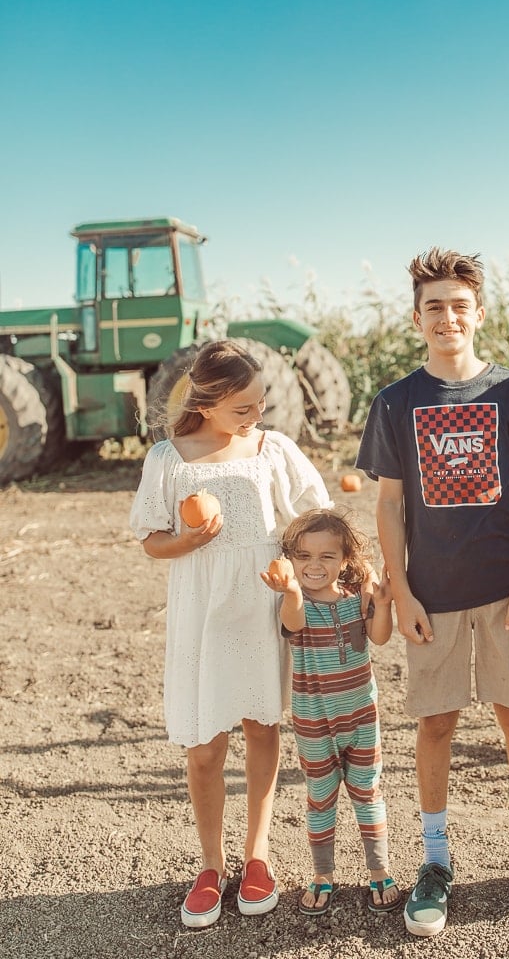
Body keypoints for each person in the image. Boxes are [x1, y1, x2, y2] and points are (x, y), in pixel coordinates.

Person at [356, 247, 509, 937]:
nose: (447, 317)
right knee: (437, 724)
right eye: (433, 307)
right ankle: (436, 861)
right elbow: (388, 506)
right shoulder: (396, 402)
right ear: (417, 319)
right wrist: (402, 590)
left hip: (506, 588)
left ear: (478, 314)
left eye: (459, 305)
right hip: (434, 594)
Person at [129, 339, 332, 929]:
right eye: (242, 408)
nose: (255, 416)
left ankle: (258, 853)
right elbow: (150, 540)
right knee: (204, 750)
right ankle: (211, 866)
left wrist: (307, 570)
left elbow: (313, 518)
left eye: (259, 404)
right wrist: (188, 542)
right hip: (202, 613)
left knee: (262, 728)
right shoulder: (168, 458)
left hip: (262, 604)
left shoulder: (273, 450)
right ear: (207, 403)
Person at [261, 507, 401, 916]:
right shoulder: (295, 602)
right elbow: (293, 619)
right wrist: (289, 590)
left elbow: (379, 636)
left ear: (345, 560)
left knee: (367, 791)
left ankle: (379, 869)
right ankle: (323, 873)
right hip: (315, 723)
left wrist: (384, 603)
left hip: (361, 716)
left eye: (327, 557)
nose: (314, 565)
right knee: (321, 798)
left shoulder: (357, 598)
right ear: (290, 560)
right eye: (303, 556)